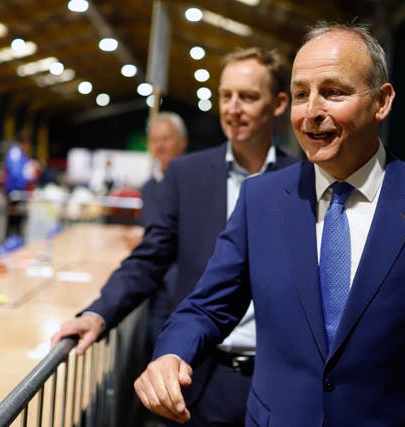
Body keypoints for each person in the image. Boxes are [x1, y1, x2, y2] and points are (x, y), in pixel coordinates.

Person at [134, 22, 405, 426]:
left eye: (333, 92)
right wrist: (172, 354)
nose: (312, 112)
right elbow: (207, 305)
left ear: (381, 102)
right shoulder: (261, 200)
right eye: (301, 94)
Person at [51, 47, 298, 426]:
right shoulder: (187, 176)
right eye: (226, 96)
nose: (233, 108)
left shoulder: (302, 180)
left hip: (278, 381)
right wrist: (99, 313)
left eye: (248, 97)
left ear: (279, 103)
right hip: (201, 377)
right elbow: (149, 258)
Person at [138, 112, 188, 346]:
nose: (160, 146)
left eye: (166, 139)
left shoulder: (195, 183)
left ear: (182, 141)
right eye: (155, 140)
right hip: (155, 288)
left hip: (186, 288)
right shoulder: (147, 188)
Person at [3, 132, 39, 237]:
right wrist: (23, 185)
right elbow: (15, 173)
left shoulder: (19, 153)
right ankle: (11, 244)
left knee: (17, 222)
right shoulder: (15, 153)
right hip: (16, 193)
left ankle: (14, 242)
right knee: (14, 221)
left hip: (18, 192)